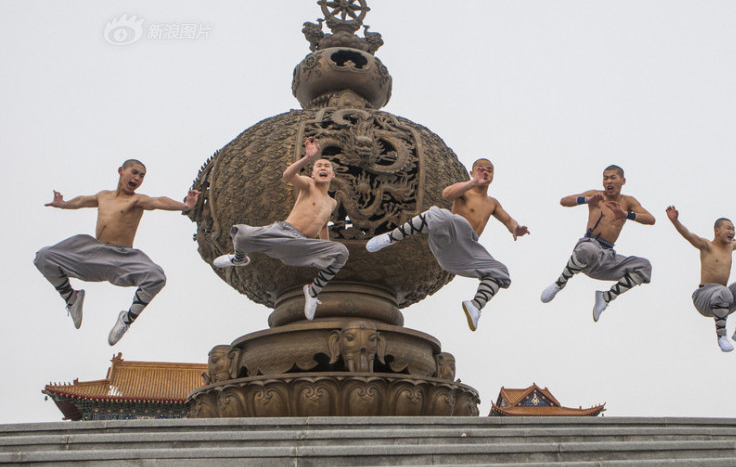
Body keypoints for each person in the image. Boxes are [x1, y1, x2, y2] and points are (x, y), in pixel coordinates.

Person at [34, 159, 199, 345]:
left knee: (157, 276)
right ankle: (72, 299)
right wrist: (63, 204)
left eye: (142, 176)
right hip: (94, 252)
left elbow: (157, 201)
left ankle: (126, 320)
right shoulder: (103, 196)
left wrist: (184, 206)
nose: (137, 178)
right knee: (44, 256)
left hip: (122, 257)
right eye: (134, 172)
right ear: (121, 171)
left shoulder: (137, 200)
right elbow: (81, 200)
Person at [366, 158, 528, 331]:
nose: (486, 172)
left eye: (489, 169)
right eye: (481, 169)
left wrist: (515, 228)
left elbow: (508, 220)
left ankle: (475, 305)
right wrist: (473, 182)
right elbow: (447, 194)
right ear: (472, 173)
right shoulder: (466, 190)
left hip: (465, 251)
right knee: (437, 215)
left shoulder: (492, 203)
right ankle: (391, 237)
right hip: (451, 233)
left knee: (500, 272)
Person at [213, 137, 349, 321]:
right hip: (283, 232)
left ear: (333, 175)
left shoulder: (332, 203)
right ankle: (238, 258)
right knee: (240, 233)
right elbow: (288, 176)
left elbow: (323, 226)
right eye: (319, 166)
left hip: (301, 245)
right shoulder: (309, 185)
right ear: (313, 174)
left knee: (341, 252)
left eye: (327, 166)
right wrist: (307, 158)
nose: (323, 168)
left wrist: (324, 252)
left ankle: (313, 291)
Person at [540, 165, 654, 321]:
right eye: (605, 177)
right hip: (589, 246)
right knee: (587, 248)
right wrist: (587, 200)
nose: (608, 181)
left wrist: (625, 214)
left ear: (623, 180)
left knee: (644, 266)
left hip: (607, 257)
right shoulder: (596, 195)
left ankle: (606, 297)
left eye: (613, 177)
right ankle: (560, 283)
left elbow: (650, 219)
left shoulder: (628, 202)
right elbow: (564, 201)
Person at [666, 206, 736, 352]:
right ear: (717, 231)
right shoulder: (707, 246)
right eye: (728, 228)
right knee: (724, 291)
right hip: (704, 297)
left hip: (722, 300)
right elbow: (688, 235)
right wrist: (675, 221)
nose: (732, 232)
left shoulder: (730, 247)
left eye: (733, 229)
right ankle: (721, 336)